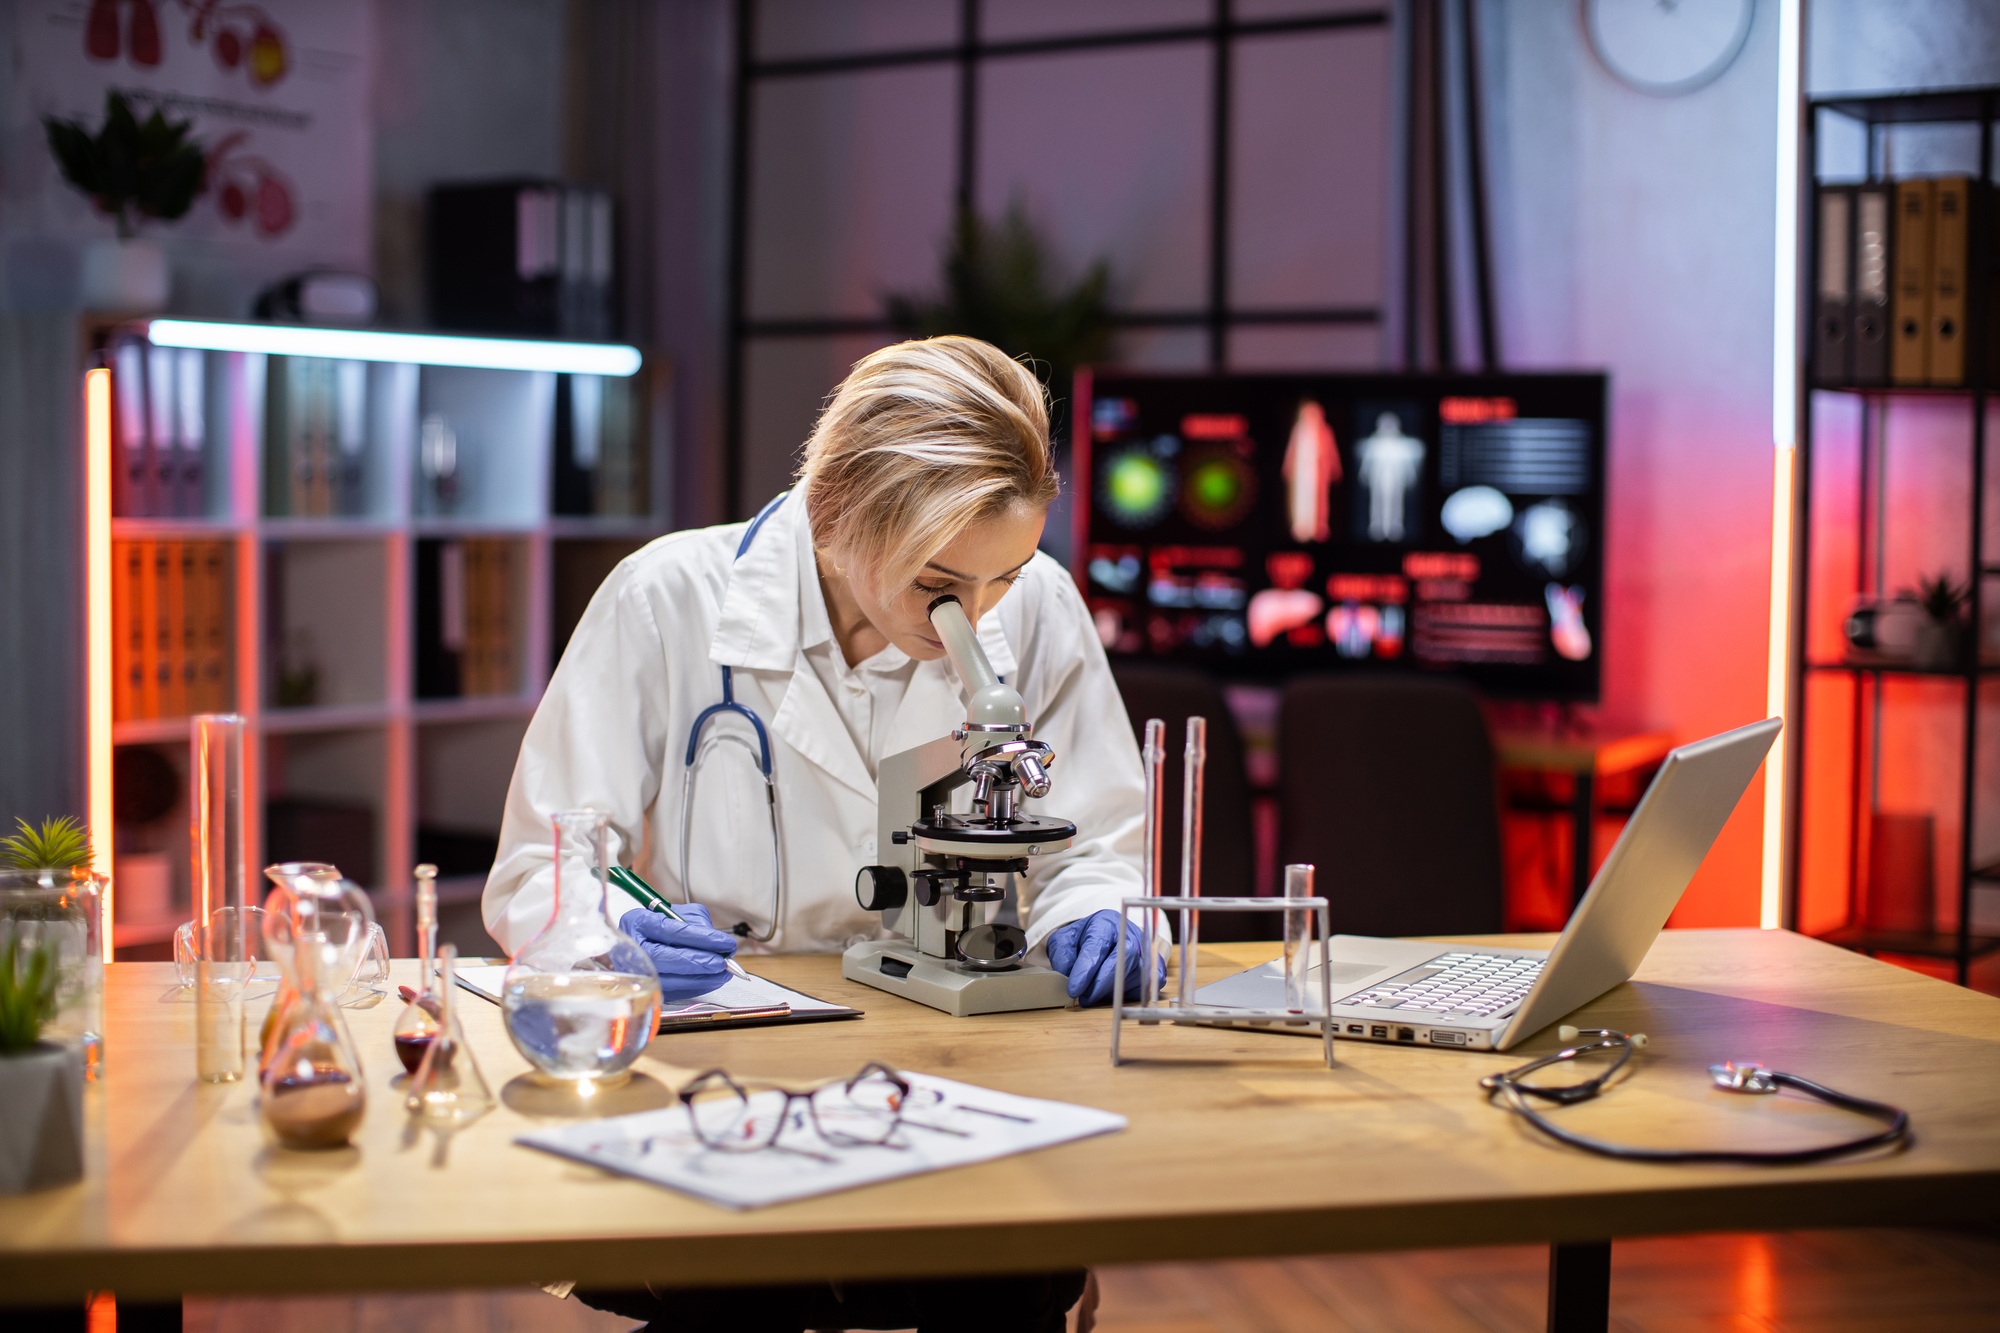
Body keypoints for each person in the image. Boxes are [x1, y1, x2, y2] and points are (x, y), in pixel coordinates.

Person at [484, 336, 1156, 1333]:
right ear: (835, 515)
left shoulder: (1042, 605)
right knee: (740, 1289)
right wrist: (607, 938)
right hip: (730, 1072)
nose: (977, 615)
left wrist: (1100, 911)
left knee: (1002, 1284)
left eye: (1005, 577)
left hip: (959, 1073)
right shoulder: (665, 600)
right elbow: (546, 862)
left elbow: (1095, 838)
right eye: (940, 583)